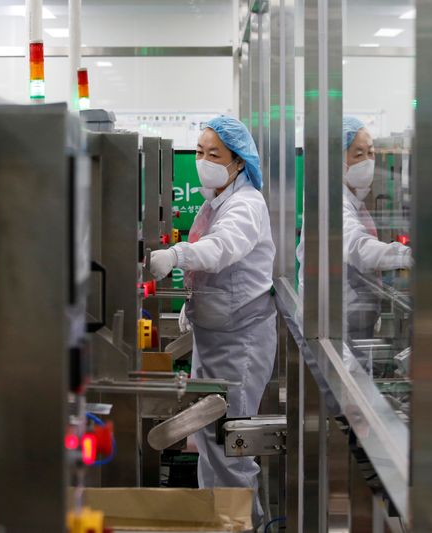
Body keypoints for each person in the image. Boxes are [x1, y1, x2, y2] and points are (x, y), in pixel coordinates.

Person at [149, 116, 276, 526]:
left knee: (229, 446)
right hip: (217, 333)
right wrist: (194, 304)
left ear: (238, 162)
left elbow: (221, 249)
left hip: (239, 342)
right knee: (209, 439)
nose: (203, 160)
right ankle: (221, 520)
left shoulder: (246, 204)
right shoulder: (217, 199)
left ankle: (241, 524)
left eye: (214, 154)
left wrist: (177, 255)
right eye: (200, 152)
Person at [297, 117, 412, 340]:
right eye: (358, 155)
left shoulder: (353, 200)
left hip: (349, 325)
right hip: (335, 333)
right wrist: (406, 255)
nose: (368, 161)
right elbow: (358, 247)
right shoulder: (332, 203)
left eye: (371, 153)